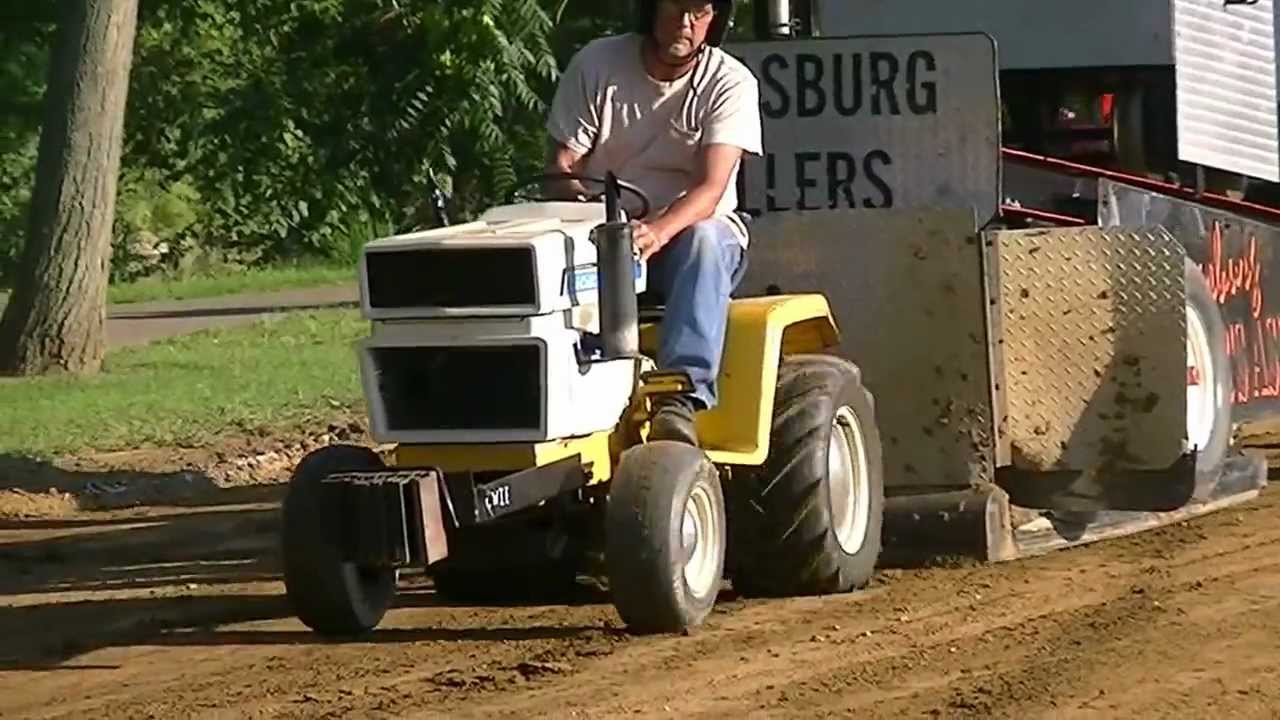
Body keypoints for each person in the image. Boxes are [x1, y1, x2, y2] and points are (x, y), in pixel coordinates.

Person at [544, 0, 763, 446]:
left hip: (692, 236)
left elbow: (710, 189)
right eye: (674, 7)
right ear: (649, 9)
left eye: (699, 12)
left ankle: (680, 396)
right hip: (603, 229)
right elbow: (561, 165)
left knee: (703, 239)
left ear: (717, 19)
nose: (685, 22)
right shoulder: (598, 64)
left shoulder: (730, 82)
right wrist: (589, 207)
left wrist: (658, 231)